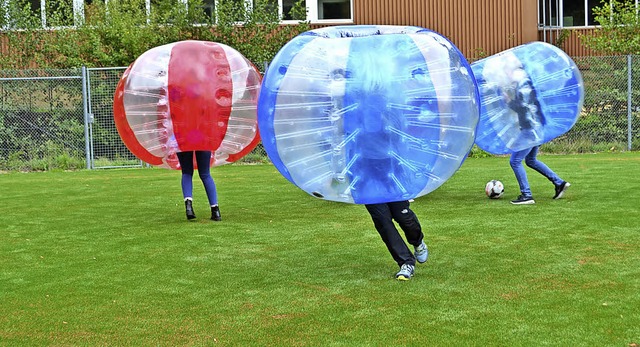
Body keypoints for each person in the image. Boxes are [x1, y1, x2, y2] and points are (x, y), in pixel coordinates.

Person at [505, 64, 570, 205]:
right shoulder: (528, 84)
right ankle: (559, 183)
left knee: (515, 161)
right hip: (537, 128)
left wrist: (509, 101)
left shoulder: (524, 86)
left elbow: (522, 107)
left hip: (530, 130)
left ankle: (526, 195)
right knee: (530, 160)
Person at [365, 200, 428, 281]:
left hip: (393, 188)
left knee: (403, 217)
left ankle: (418, 242)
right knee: (383, 223)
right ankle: (406, 263)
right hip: (369, 190)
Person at [176, 150, 221, 221]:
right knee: (205, 174)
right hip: (203, 140)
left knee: (186, 172)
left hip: (184, 140)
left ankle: (189, 207)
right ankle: (215, 211)